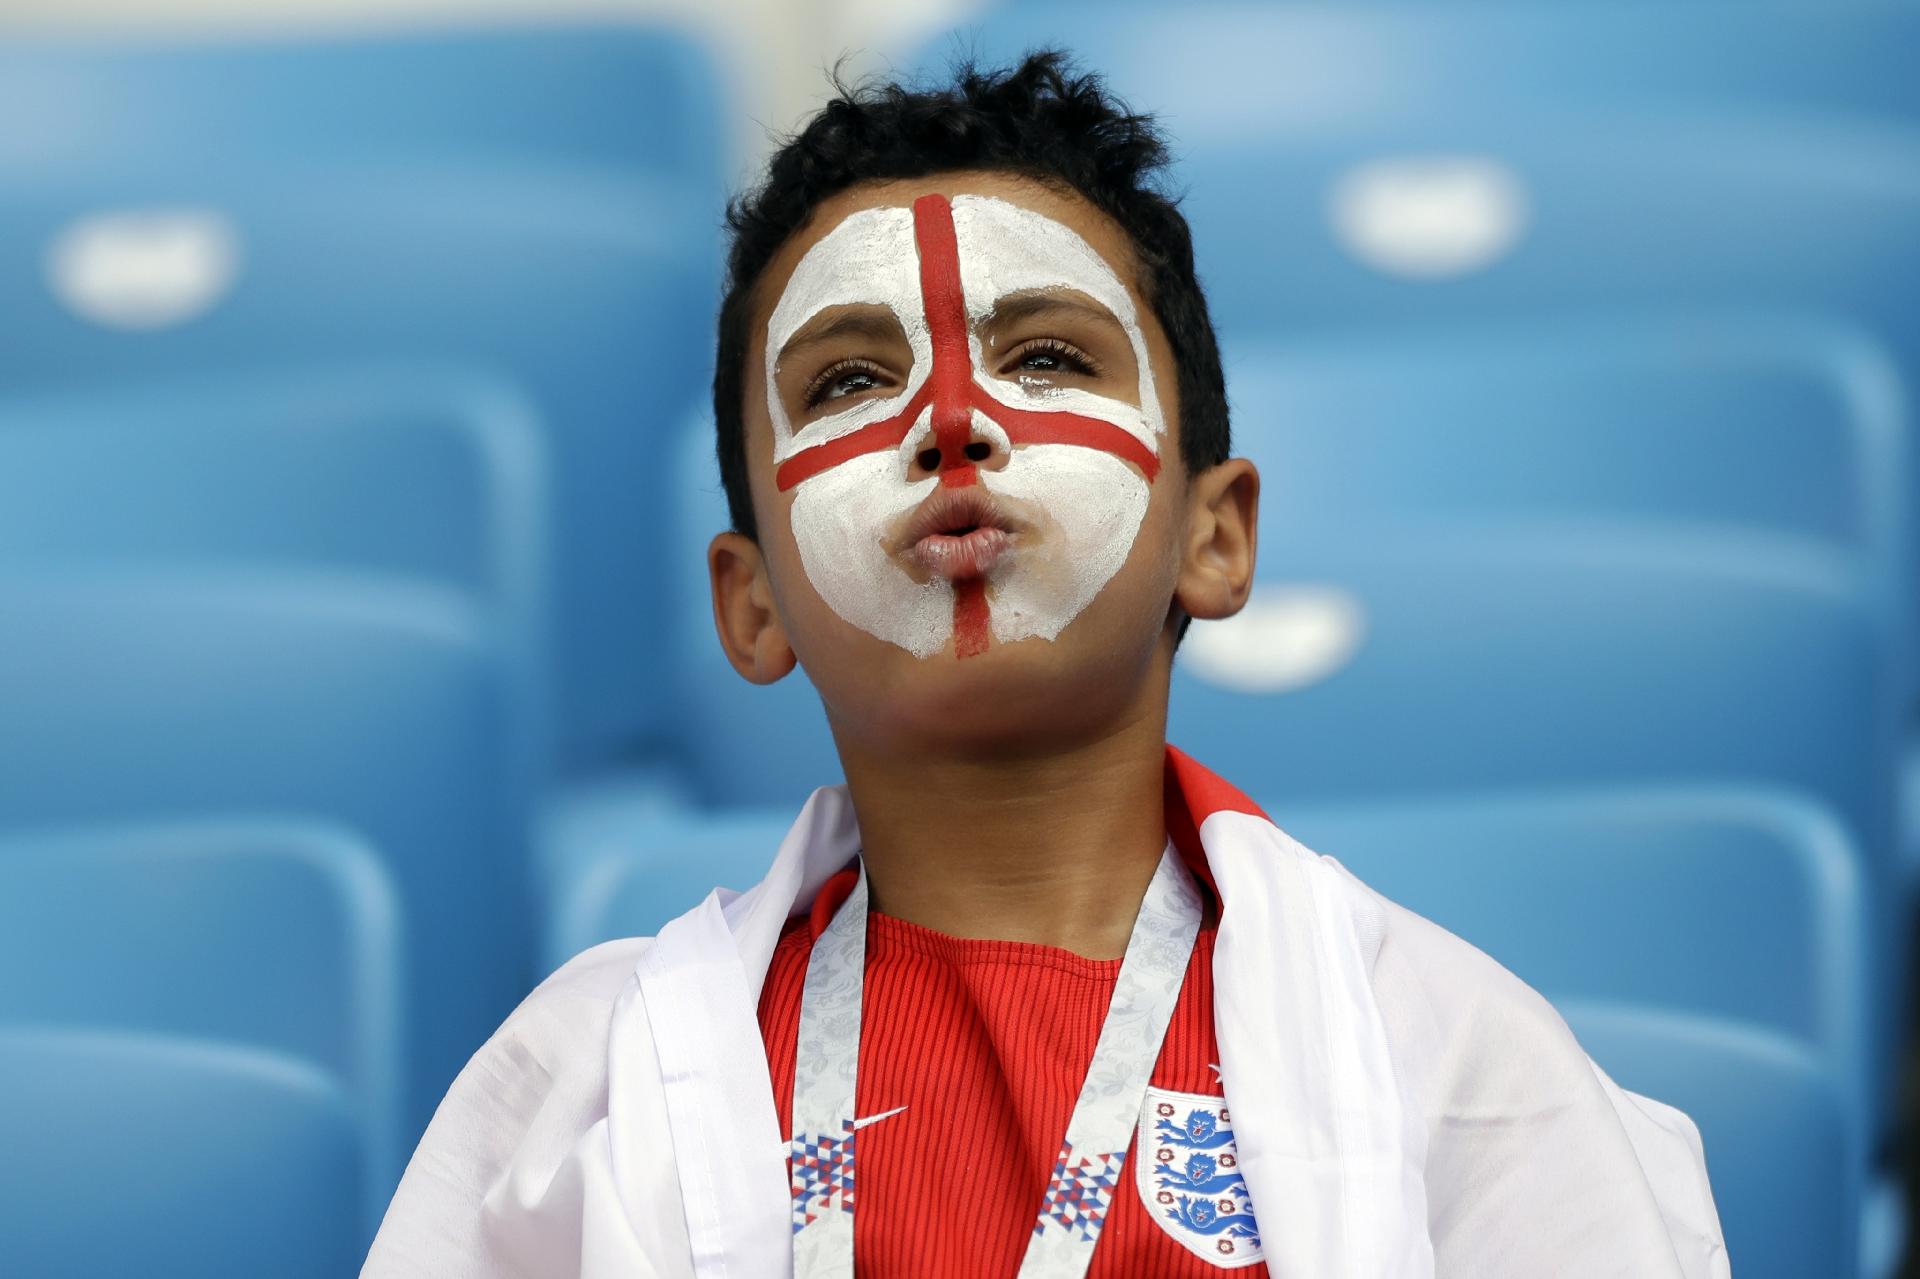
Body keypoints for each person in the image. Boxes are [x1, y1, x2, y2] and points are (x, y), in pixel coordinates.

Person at [362, 51, 1728, 1278]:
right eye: (846, 381)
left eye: (1049, 356)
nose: (953, 423)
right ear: (753, 602)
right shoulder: (589, 1084)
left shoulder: (1460, 1068)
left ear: (1216, 535)